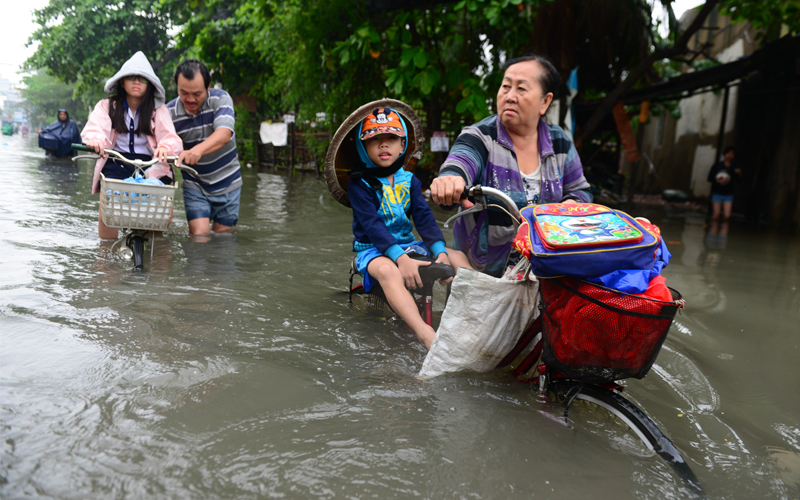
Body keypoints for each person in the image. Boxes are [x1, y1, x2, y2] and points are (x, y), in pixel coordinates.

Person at [430, 54, 592, 277]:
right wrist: (450, 179)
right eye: (505, 87)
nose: (510, 96)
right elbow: (461, 161)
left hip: (544, 270)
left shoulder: (560, 142)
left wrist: (568, 208)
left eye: (521, 89)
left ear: (545, 102)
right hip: (481, 274)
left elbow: (580, 190)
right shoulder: (480, 135)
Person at [349, 108, 453, 350]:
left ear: (402, 143)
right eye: (374, 139)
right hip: (373, 250)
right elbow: (372, 226)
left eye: (392, 138)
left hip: (407, 244)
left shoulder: (410, 180)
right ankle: (425, 333)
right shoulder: (359, 183)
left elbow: (425, 219)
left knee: (457, 257)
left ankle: (464, 327)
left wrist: (441, 252)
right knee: (388, 271)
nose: (383, 144)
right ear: (363, 145)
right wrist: (401, 259)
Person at [81, 51, 183, 239]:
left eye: (142, 79)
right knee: (107, 206)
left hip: (151, 163)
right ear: (122, 82)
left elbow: (171, 136)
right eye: (131, 78)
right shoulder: (107, 106)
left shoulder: (158, 109)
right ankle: (105, 257)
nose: (136, 82)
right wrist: (95, 140)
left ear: (149, 85)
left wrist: (165, 148)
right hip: (117, 160)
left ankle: (156, 256)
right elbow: (96, 128)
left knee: (162, 212)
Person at [167, 59, 241, 235]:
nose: (190, 99)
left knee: (223, 239)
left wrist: (197, 150)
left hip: (228, 181)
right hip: (195, 183)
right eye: (183, 92)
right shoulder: (168, 113)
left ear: (208, 87)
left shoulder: (220, 99)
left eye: (197, 94)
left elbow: (224, 134)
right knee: (199, 237)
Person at [707, 146, 741, 221]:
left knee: (727, 216)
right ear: (725, 154)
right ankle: (713, 230)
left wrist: (739, 174)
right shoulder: (717, 166)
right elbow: (710, 178)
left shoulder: (735, 167)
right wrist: (718, 180)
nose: (730, 155)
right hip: (717, 192)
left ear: (734, 156)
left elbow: (739, 181)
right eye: (728, 153)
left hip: (728, 194)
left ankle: (724, 231)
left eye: (732, 154)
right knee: (716, 215)